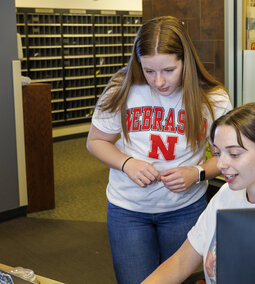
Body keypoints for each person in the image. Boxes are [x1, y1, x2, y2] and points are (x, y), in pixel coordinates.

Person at [86, 16, 232, 284]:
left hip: (184, 208)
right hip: (127, 209)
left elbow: (226, 158)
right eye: (149, 70)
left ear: (185, 61)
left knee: (180, 279)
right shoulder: (122, 87)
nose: (159, 81)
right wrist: (127, 163)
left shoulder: (213, 97)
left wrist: (198, 172)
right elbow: (95, 141)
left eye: (168, 70)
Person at [142, 102, 255, 284]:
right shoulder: (226, 194)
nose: (220, 165)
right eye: (218, 153)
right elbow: (180, 262)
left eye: (234, 154)